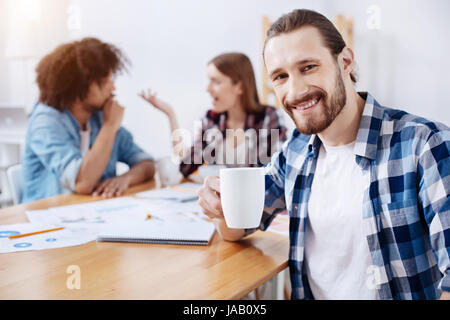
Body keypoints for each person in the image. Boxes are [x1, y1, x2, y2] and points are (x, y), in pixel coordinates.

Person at [198, 9, 450, 300]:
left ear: (345, 61)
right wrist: (219, 206)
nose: (295, 91)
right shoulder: (295, 150)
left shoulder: (424, 144)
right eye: (280, 76)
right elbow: (239, 227)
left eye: (308, 67)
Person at [21, 38, 155, 203]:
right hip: (46, 220)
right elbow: (82, 182)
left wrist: (125, 179)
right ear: (78, 85)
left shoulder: (98, 117)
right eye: (104, 82)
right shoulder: (45, 123)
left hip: (93, 214)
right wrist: (110, 126)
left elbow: (147, 164)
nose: (112, 88)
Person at [139, 52, 287, 178]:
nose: (208, 89)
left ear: (240, 86)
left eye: (216, 81)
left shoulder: (269, 117)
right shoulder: (209, 120)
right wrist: (170, 114)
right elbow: (185, 165)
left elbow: (278, 172)